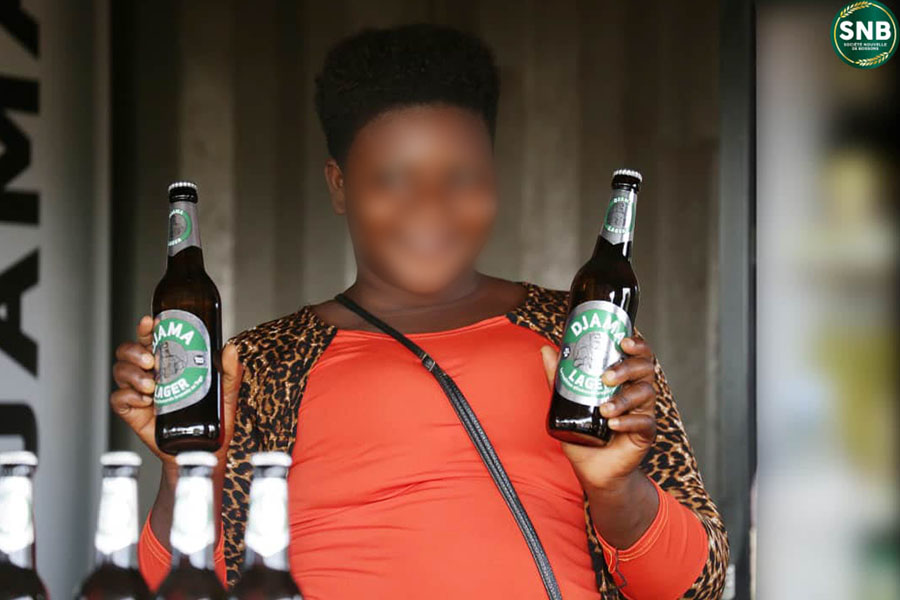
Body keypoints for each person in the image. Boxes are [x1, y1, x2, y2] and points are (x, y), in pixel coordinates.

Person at [111, 24, 728, 599]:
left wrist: (617, 489)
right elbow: (180, 588)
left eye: (461, 177)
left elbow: (696, 584)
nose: (431, 206)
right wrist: (186, 473)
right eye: (393, 179)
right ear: (339, 185)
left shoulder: (584, 333)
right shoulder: (260, 364)